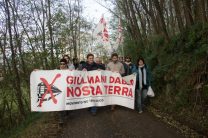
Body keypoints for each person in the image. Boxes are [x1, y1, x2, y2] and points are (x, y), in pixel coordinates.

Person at [58, 58, 68, 124]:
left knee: (66, 103)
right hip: (59, 91)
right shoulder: (56, 71)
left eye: (63, 64)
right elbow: (47, 72)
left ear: (66, 65)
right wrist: (38, 71)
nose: (62, 65)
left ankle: (67, 112)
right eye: (61, 64)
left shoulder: (69, 71)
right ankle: (61, 119)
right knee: (60, 104)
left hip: (68, 91)